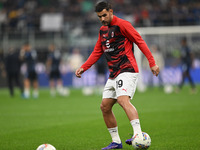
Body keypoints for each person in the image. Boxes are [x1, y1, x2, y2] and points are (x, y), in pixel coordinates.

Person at [75, 1, 160, 149]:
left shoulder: (123, 25)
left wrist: (152, 62)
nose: (102, 19)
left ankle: (138, 135)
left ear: (111, 11)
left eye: (104, 15)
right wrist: (84, 67)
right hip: (113, 73)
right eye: (99, 16)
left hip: (127, 69)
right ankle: (116, 142)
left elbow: (139, 41)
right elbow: (97, 51)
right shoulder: (102, 30)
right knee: (105, 107)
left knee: (122, 100)